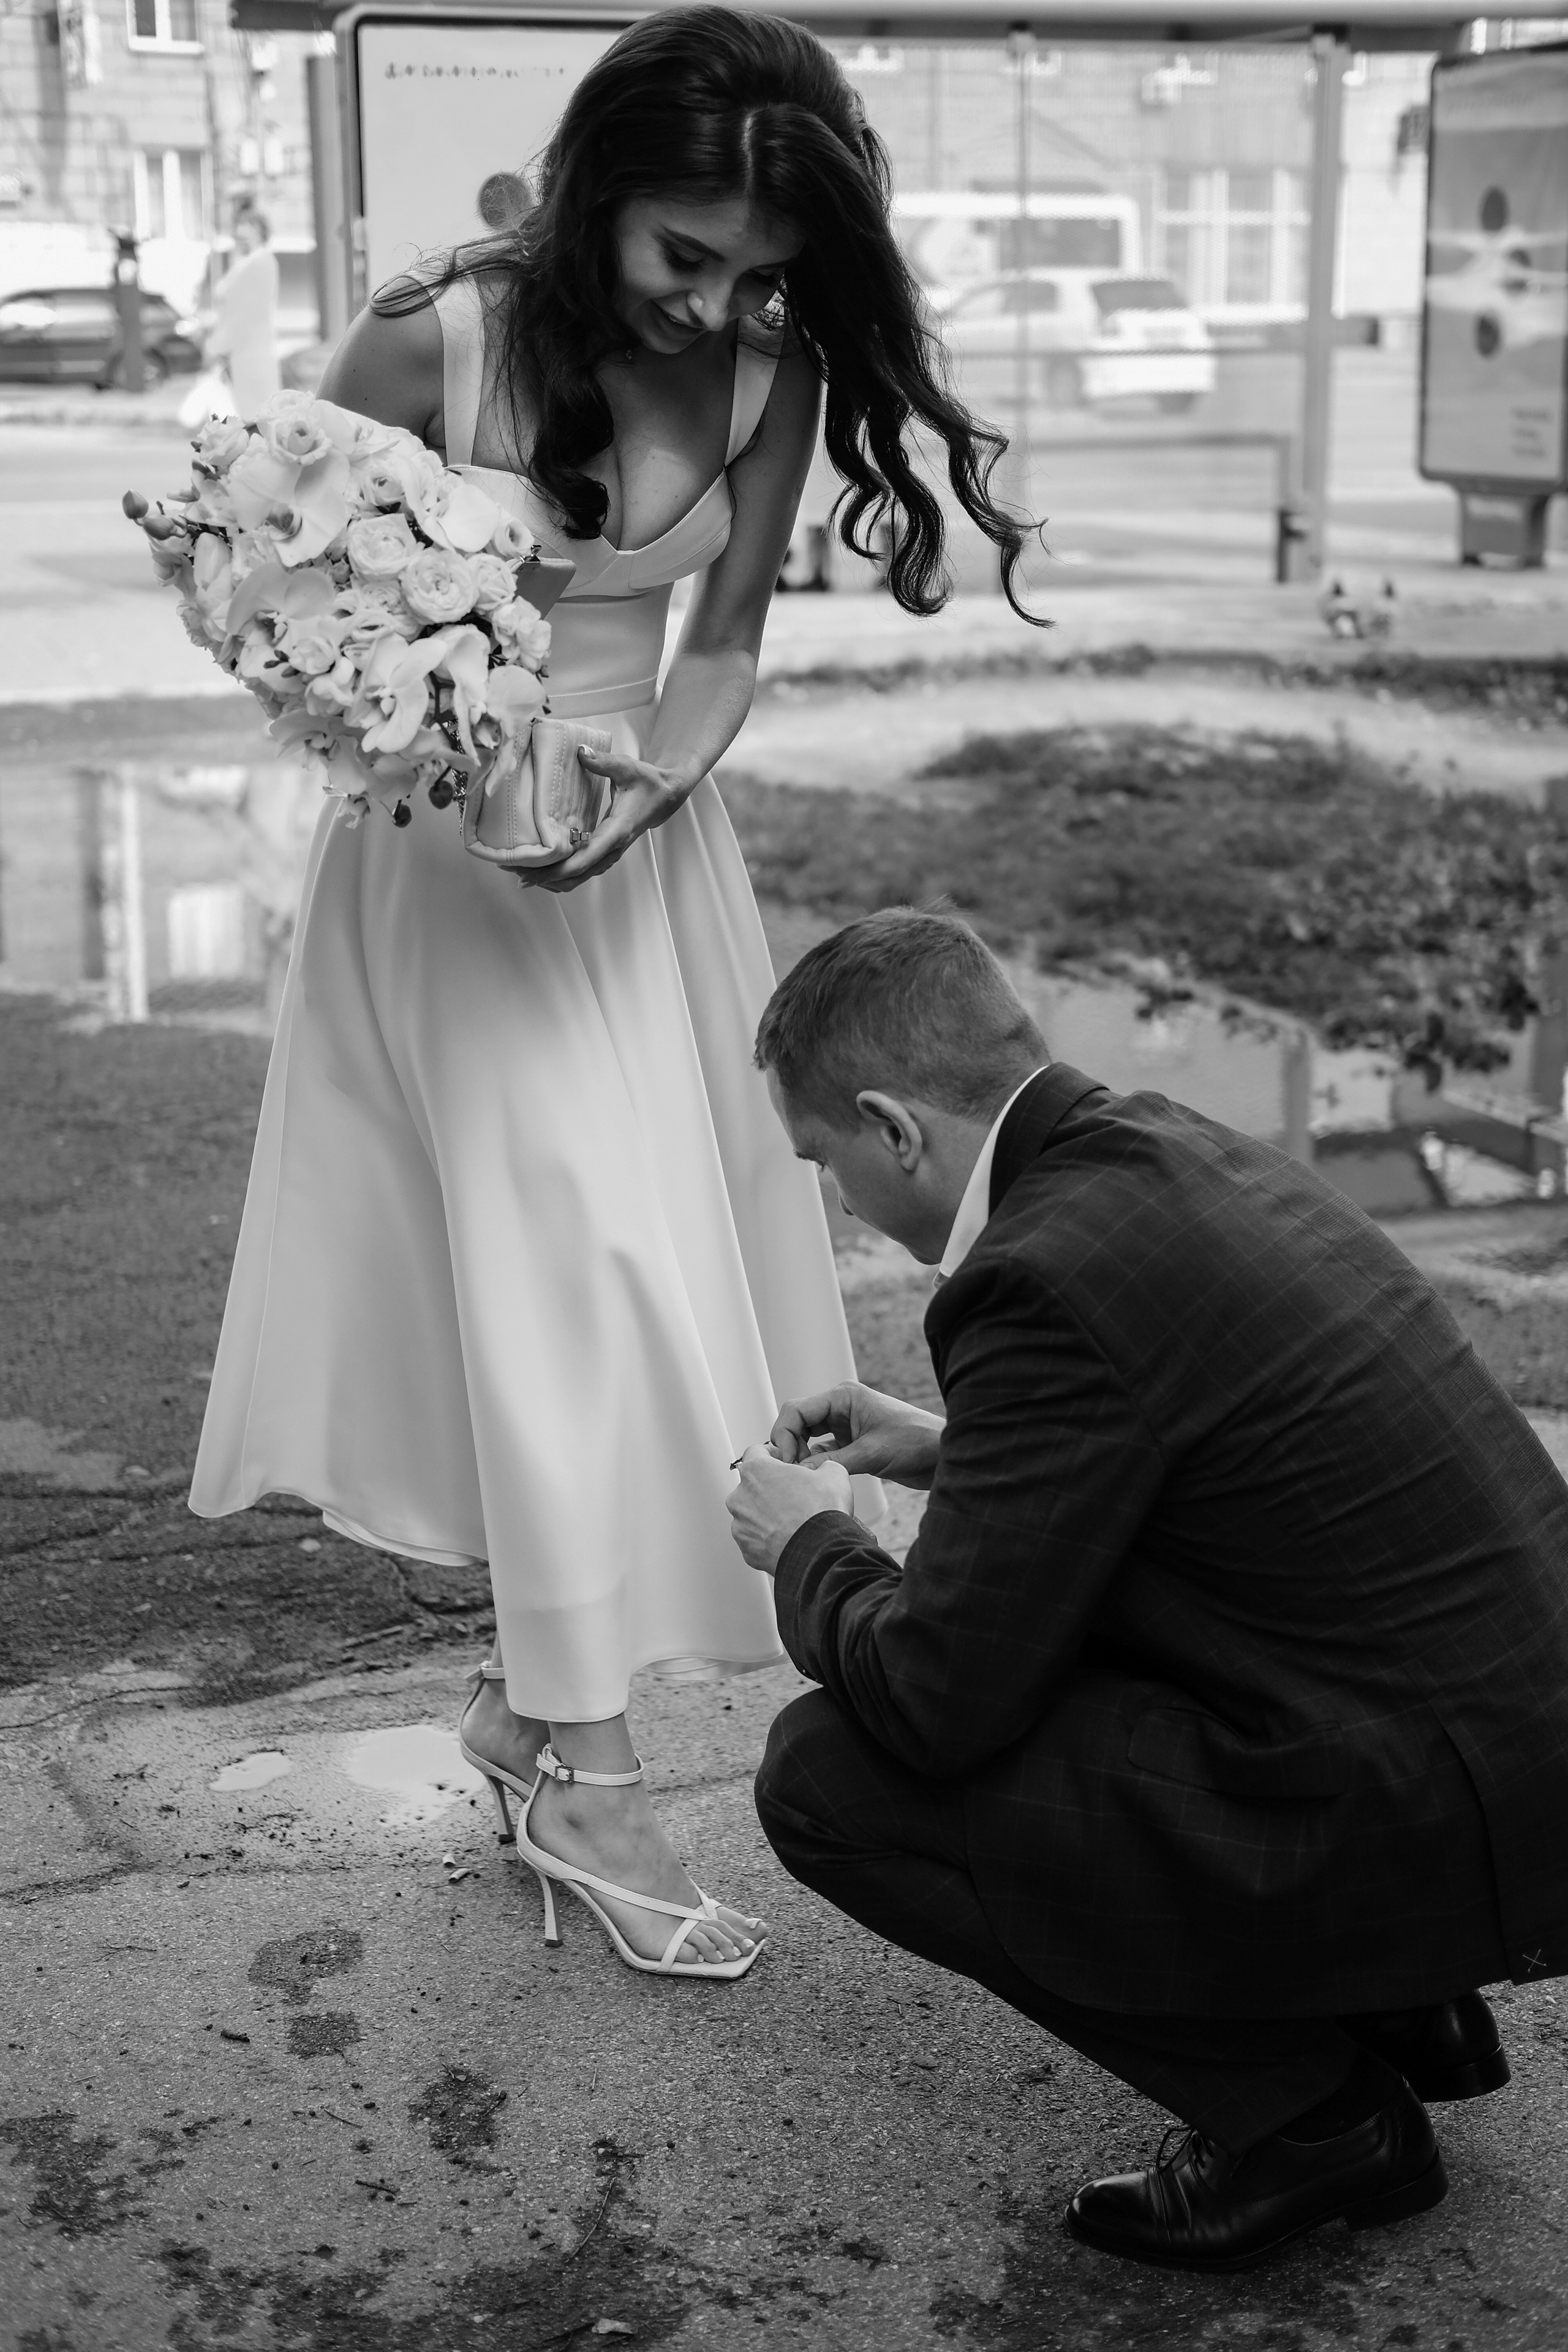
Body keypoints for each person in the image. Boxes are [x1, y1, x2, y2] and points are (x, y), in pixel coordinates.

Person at [190, 11, 1034, 1978]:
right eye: (684, 257)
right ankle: (580, 1767)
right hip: (443, 868)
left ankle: (527, 1709)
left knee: (631, 1271)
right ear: (589, 194)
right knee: (579, 1269)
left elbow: (720, 640)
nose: (722, 301)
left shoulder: (771, 372)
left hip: (647, 852)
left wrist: (666, 765)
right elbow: (295, 618)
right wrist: (422, 737)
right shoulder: (430, 342)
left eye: (759, 271)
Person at [729, 907, 1568, 2263]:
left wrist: (810, 1543)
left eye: (823, 1159)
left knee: (828, 1778)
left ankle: (1315, 2117)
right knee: (1069, 1645)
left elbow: (938, 1699)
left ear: (893, 1129)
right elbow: (1213, 1455)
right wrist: (953, 1451)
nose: (836, 1197)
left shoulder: (1030, 1281)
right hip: (1511, 1742)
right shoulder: (1160, 1142)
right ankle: (1391, 2003)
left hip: (1436, 1810)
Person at [205, 208, 280, 417]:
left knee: (254, 417)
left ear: (258, 232)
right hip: (246, 350)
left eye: (246, 231)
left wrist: (217, 346)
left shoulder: (259, 263)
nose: (240, 237)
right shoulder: (251, 262)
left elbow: (245, 313)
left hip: (249, 351)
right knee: (252, 415)